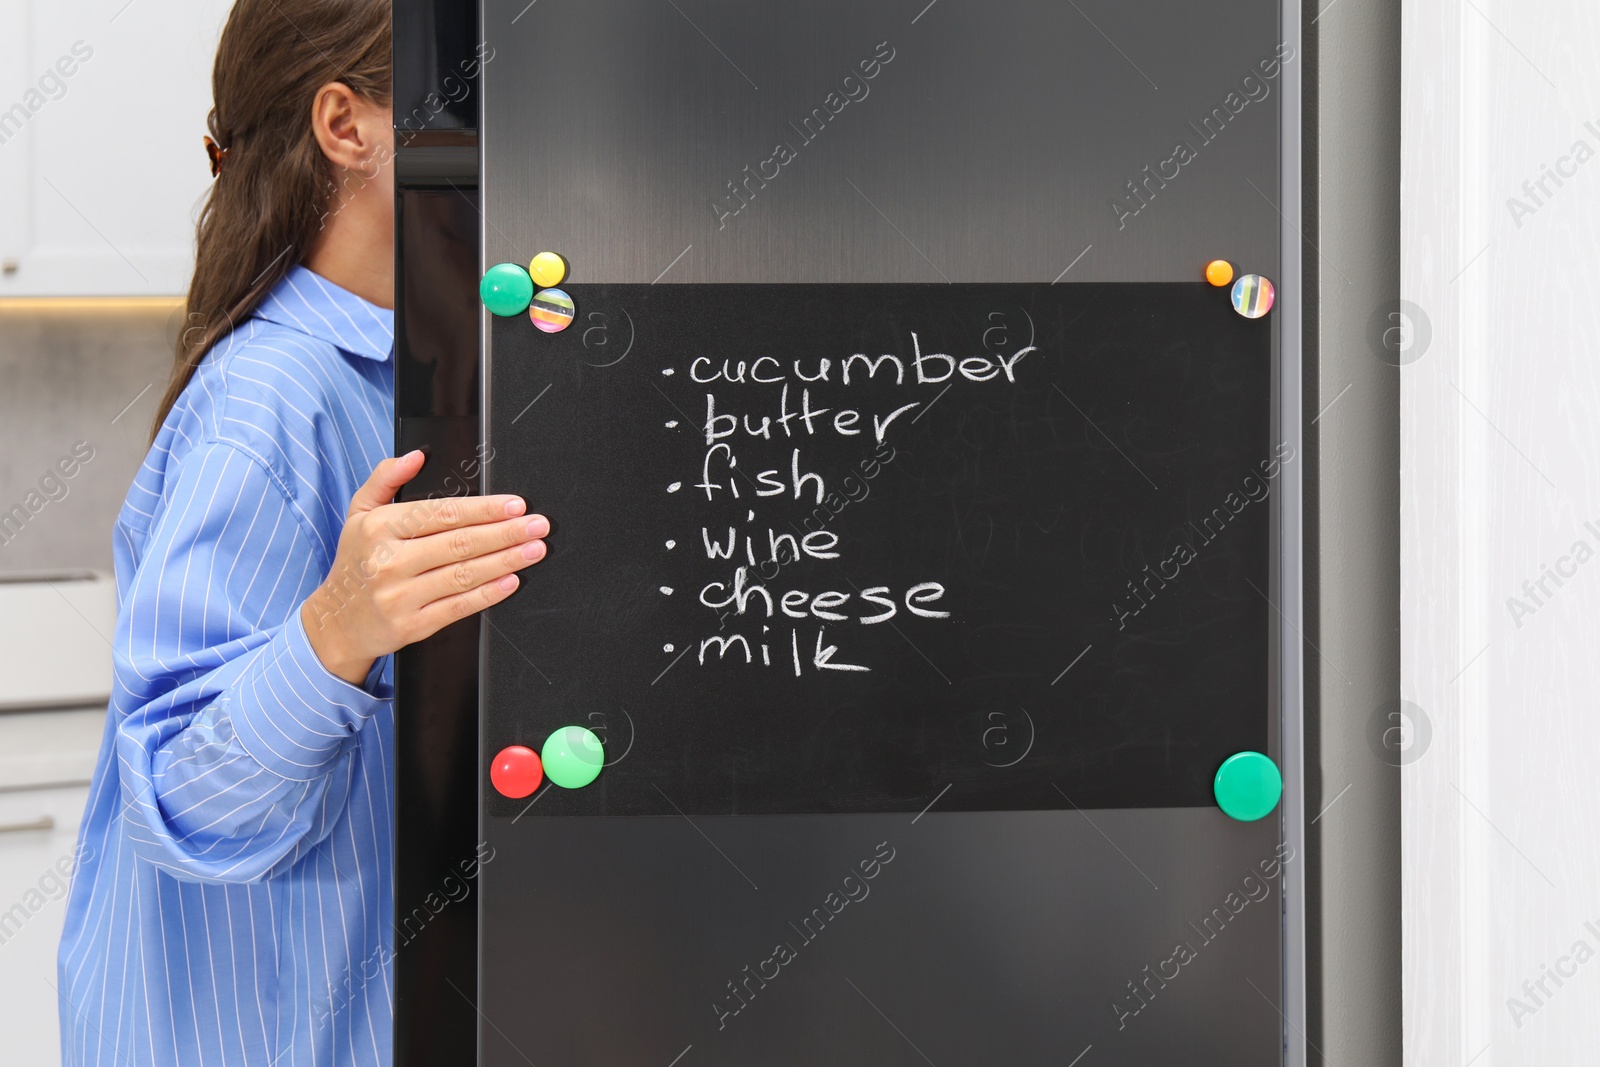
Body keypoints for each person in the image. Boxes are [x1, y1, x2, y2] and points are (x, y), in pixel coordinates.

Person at [55, 2, 542, 1063]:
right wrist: (335, 628)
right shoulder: (270, 400)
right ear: (347, 124)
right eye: (474, 90)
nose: (514, 129)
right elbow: (181, 797)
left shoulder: (426, 371)